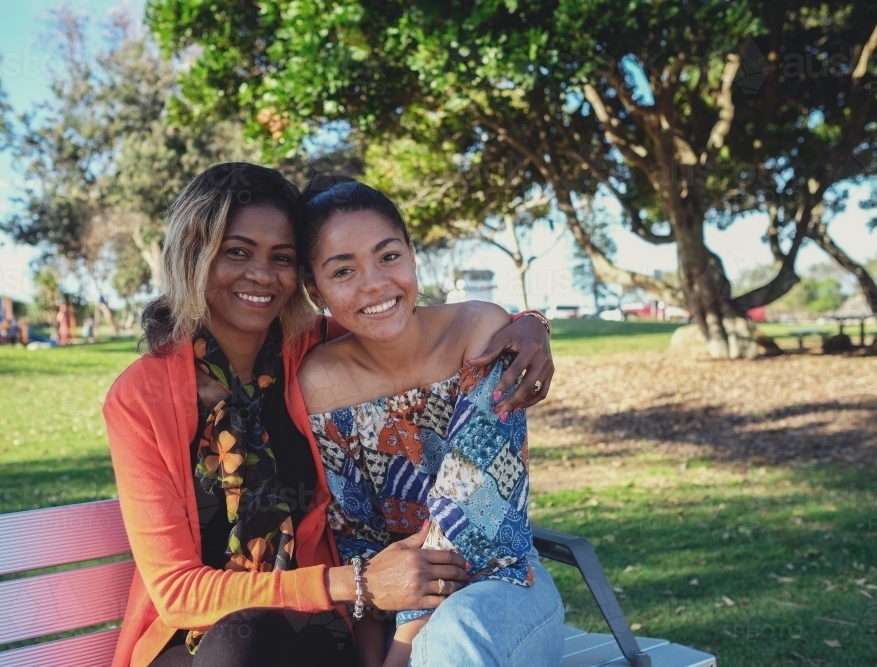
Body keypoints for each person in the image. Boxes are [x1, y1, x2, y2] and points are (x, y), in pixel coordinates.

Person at [103, 163, 556, 667]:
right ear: (194, 255)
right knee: (235, 645)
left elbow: (400, 327)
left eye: (281, 257)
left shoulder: (309, 352)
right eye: (237, 252)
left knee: (243, 644)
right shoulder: (141, 400)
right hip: (203, 629)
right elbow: (176, 590)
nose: (262, 275)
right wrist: (355, 583)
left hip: (306, 627)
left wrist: (530, 325)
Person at [297, 178, 565, 667]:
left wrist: (400, 653)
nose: (375, 283)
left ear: (413, 255)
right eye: (343, 270)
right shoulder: (320, 382)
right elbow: (358, 538)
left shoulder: (479, 333)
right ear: (315, 291)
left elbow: (471, 513)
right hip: (393, 603)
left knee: (449, 640)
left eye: (389, 256)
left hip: (503, 583)